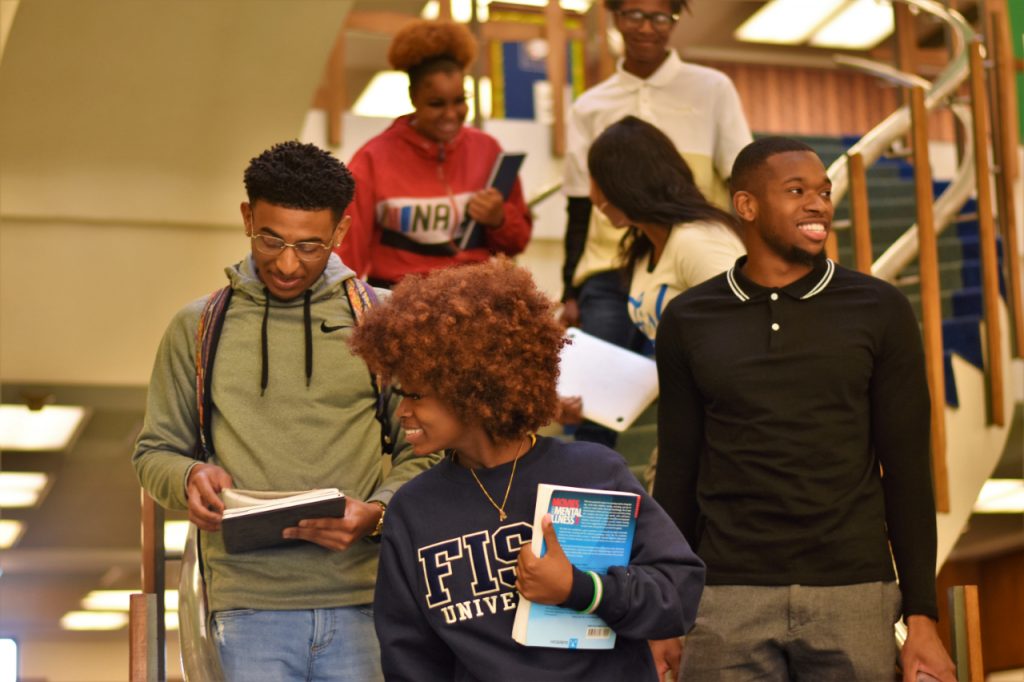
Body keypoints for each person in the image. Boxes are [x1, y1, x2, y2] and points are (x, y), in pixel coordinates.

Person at [132, 141, 439, 682]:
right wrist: (188, 477)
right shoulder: (197, 328)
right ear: (248, 217)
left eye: (310, 246)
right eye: (271, 239)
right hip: (247, 607)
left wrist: (378, 512)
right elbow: (154, 451)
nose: (288, 263)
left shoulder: (385, 321)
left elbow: (431, 451)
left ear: (341, 233)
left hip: (367, 599)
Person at [653, 136, 957, 681]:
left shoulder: (880, 308)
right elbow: (678, 470)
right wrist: (666, 614)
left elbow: (908, 471)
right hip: (725, 595)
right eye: (796, 191)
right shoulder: (688, 318)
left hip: (854, 592)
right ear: (747, 206)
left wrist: (922, 616)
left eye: (824, 190)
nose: (818, 203)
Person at [348, 258, 705, 681]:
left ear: (470, 386)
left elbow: (678, 594)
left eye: (416, 395)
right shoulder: (413, 509)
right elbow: (411, 657)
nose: (402, 411)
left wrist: (582, 589)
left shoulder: (592, 470)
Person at [560, 0, 752, 447]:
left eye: (661, 17)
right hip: (609, 269)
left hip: (681, 258)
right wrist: (571, 287)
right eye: (634, 15)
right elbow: (578, 205)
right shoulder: (590, 105)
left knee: (692, 392)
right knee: (590, 405)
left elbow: (743, 177)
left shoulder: (712, 88)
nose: (647, 28)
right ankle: (590, 514)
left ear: (676, 21)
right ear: (614, 18)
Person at [337, 19, 531, 288]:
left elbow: (517, 242)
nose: (451, 115)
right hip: (399, 302)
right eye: (436, 103)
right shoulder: (372, 159)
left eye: (460, 101)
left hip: (475, 300)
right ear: (413, 97)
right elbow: (348, 251)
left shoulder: (488, 151)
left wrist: (499, 219)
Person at [587, 115, 744, 344]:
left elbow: (744, 331)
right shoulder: (647, 245)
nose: (592, 195)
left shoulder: (698, 241)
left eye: (595, 180)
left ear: (621, 183)